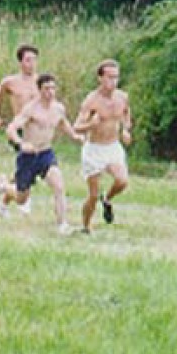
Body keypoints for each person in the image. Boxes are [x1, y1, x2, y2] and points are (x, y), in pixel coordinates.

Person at [0, 73, 84, 235]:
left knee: (59, 186)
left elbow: (63, 123)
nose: (50, 92)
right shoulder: (31, 109)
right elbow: (11, 129)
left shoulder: (58, 108)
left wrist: (74, 136)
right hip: (28, 157)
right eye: (47, 88)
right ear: (39, 90)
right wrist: (21, 144)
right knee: (22, 198)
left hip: (46, 154)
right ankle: (4, 186)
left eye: (53, 88)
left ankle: (62, 225)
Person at [74, 59, 132, 233]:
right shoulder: (92, 100)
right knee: (92, 195)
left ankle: (107, 199)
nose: (113, 81)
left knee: (122, 181)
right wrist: (91, 125)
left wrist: (125, 130)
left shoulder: (122, 97)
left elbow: (126, 116)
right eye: (109, 77)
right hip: (94, 149)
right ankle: (86, 226)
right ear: (100, 78)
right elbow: (77, 126)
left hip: (112, 146)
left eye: (116, 77)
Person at [0, 43, 40, 213]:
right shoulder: (11, 82)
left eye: (34, 60)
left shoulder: (42, 82)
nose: (31, 63)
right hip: (19, 129)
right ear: (20, 62)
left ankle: (4, 194)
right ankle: (19, 195)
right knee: (28, 163)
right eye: (28, 60)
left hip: (38, 130)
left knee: (31, 167)